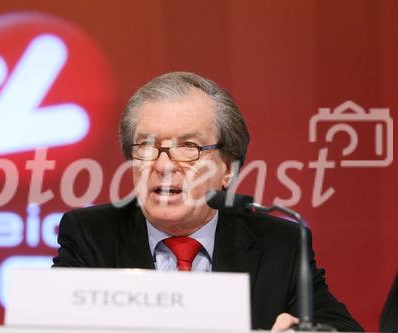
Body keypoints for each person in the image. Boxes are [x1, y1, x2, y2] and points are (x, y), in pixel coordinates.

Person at [53, 71, 363, 331]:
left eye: (189, 147)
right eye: (146, 147)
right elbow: (46, 323)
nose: (163, 166)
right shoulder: (90, 235)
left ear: (227, 169)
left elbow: (337, 326)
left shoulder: (279, 245)